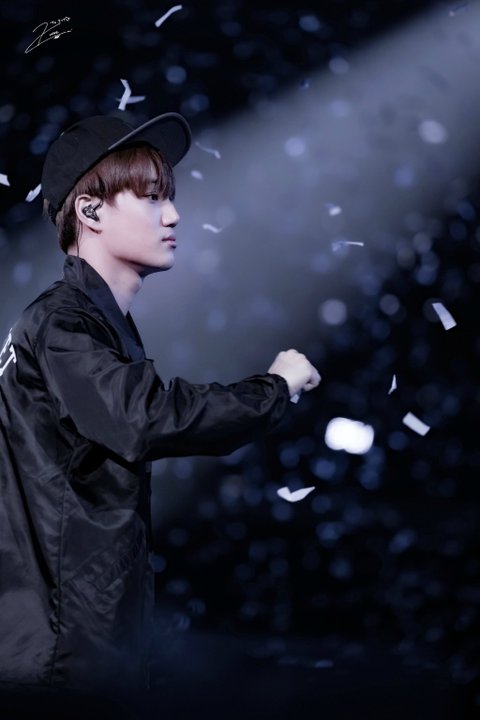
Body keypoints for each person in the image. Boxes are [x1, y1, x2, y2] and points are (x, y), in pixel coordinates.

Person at [0, 112, 320, 705]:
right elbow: (146, 416)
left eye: (168, 198)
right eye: (150, 198)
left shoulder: (81, 324)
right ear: (90, 211)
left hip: (68, 650)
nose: (173, 215)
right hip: (59, 663)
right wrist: (273, 388)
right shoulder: (62, 324)